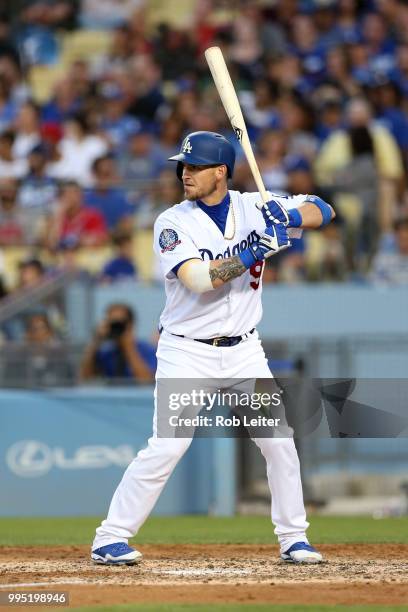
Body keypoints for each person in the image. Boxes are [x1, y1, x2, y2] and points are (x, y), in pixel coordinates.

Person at [91, 131, 335, 565]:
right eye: (183, 166)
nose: (185, 173)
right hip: (188, 351)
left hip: (244, 350)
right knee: (168, 445)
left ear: (221, 172)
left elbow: (325, 210)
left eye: (196, 167)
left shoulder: (255, 206)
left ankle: (294, 538)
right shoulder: (173, 221)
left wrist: (289, 212)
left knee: (278, 441)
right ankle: (110, 536)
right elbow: (198, 280)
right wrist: (257, 248)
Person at [79, 303, 156, 382]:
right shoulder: (106, 353)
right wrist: (96, 340)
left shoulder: (148, 350)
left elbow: (147, 381)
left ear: (130, 325)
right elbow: (85, 377)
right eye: (112, 324)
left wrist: (129, 347)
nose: (116, 328)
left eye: (120, 324)